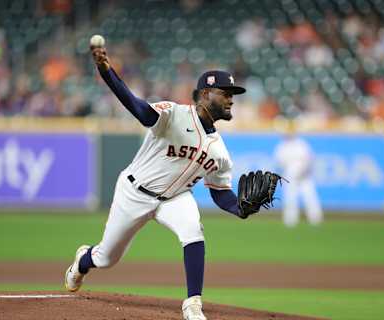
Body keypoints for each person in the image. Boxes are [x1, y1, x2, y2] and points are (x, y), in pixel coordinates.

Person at [64, 42, 250, 320]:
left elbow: (220, 193)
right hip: (135, 192)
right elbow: (138, 108)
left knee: (193, 232)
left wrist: (242, 207)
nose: (231, 99)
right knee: (107, 258)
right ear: (205, 94)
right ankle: (83, 260)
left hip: (175, 199)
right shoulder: (174, 114)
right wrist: (107, 73)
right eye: (226, 93)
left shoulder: (220, 152)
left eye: (233, 94)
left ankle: (193, 304)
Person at [273, 133, 323, 227]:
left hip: (305, 176)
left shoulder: (301, 144)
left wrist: (304, 170)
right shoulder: (282, 146)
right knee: (290, 199)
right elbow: (279, 162)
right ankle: (290, 221)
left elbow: (310, 159)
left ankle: (315, 219)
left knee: (310, 198)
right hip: (290, 177)